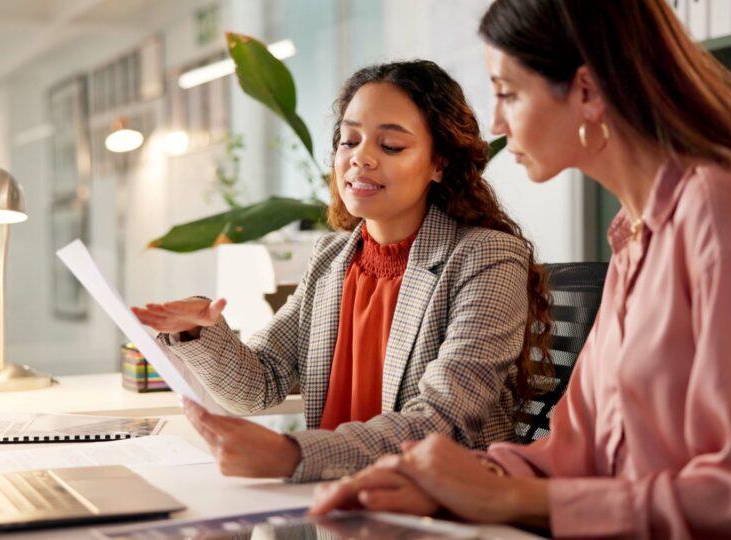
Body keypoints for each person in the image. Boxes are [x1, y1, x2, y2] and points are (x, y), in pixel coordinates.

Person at [310, 0, 731, 537]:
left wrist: (507, 495)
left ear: (585, 92)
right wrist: (449, 479)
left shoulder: (719, 217)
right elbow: (575, 450)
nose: (495, 121)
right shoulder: (635, 237)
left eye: (508, 92)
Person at [132, 60, 551, 483]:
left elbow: (441, 421)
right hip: (334, 502)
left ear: (438, 163)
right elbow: (260, 384)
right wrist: (199, 330)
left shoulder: (487, 256)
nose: (360, 158)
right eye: (349, 140)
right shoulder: (332, 257)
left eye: (390, 146)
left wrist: (290, 454)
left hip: (435, 508)